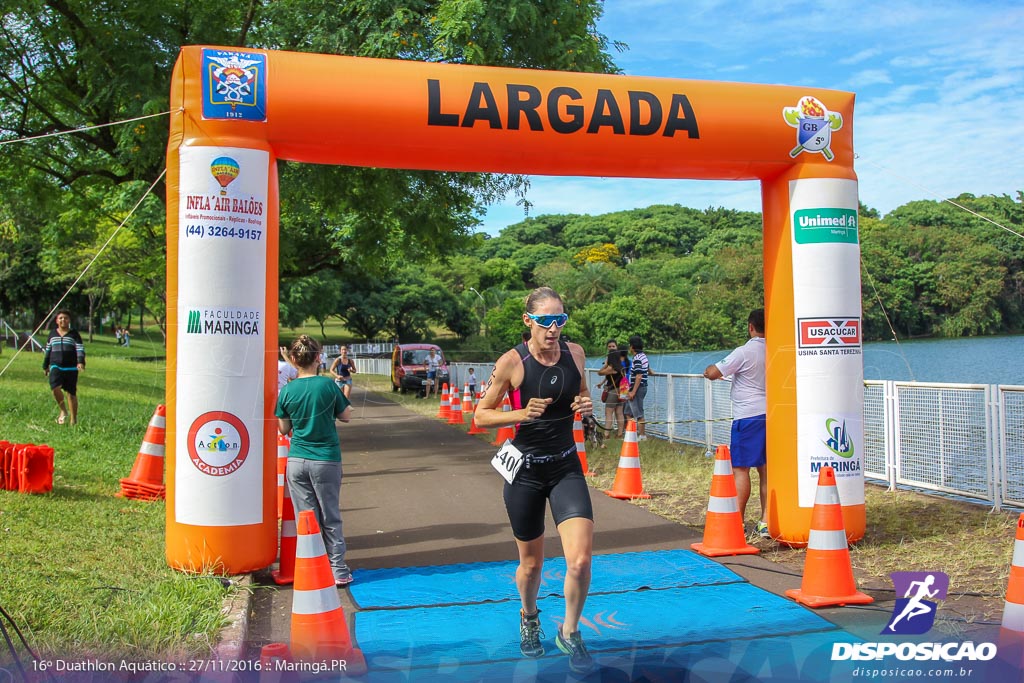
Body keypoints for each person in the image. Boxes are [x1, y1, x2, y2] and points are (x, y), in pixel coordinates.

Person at [473, 287, 596, 675]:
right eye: (546, 321)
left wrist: (585, 405)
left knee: (579, 560)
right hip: (524, 471)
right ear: (529, 321)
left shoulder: (575, 353)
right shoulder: (513, 361)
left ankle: (570, 631)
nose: (554, 329)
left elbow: (580, 392)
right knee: (531, 566)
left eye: (560, 320)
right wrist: (520, 414)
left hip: (565, 466)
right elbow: (480, 415)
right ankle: (529, 617)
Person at [275, 335, 355, 585]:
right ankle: (338, 570)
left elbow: (283, 428)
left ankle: (312, 569)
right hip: (326, 459)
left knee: (306, 518)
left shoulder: (287, 390)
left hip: (298, 459)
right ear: (318, 358)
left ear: (294, 360)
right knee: (330, 515)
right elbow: (345, 416)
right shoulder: (328, 386)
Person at [703, 308, 768, 539]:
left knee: (740, 469)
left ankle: (736, 521)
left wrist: (709, 370)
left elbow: (713, 372)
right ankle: (766, 521)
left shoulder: (743, 352)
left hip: (747, 416)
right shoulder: (776, 349)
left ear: (751, 327)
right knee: (766, 470)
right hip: (771, 415)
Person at [43, 309, 85, 425]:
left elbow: (80, 349)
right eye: (61, 318)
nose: (63, 320)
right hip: (56, 365)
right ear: (57, 320)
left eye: (65, 318)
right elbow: (48, 350)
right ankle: (63, 410)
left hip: (71, 367)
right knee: (55, 387)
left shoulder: (74, 334)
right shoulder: (52, 334)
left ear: (69, 320)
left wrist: (80, 362)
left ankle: (73, 420)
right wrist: (45, 365)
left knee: (71, 393)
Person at [597, 348, 627, 438]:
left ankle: (606, 434)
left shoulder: (611, 368)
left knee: (609, 412)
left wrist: (605, 364)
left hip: (613, 391)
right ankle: (620, 433)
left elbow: (599, 373)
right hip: (622, 391)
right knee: (619, 413)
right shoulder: (621, 367)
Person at [625, 335, 649, 440]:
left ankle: (642, 436)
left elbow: (639, 375)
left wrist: (633, 391)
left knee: (638, 413)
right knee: (628, 412)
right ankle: (631, 434)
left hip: (638, 388)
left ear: (632, 347)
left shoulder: (637, 358)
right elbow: (647, 368)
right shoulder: (643, 356)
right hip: (638, 387)